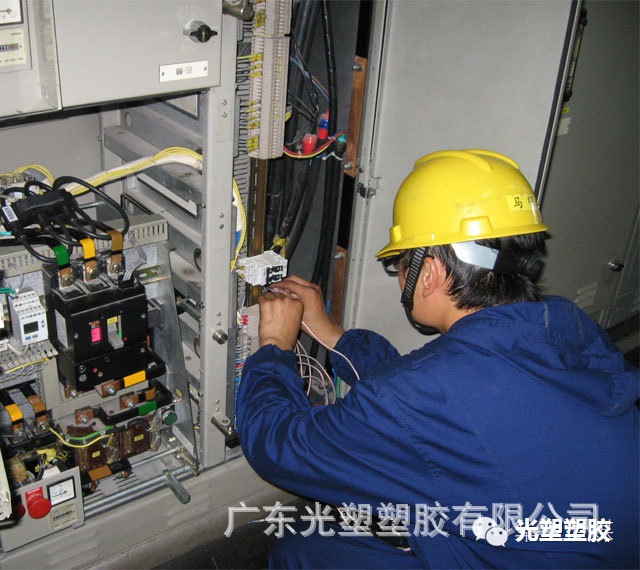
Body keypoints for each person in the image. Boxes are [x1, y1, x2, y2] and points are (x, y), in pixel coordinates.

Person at [236, 149, 639, 568]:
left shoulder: (430, 391)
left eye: (400, 264)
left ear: (428, 274)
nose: (400, 278)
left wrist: (274, 344)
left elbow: (278, 445)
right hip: (582, 542)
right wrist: (333, 335)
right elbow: (420, 394)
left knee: (303, 552)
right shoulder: (562, 323)